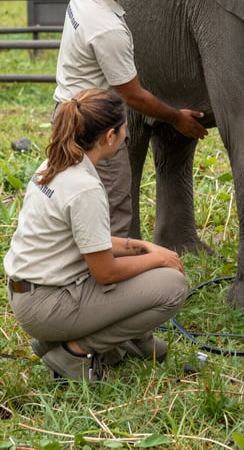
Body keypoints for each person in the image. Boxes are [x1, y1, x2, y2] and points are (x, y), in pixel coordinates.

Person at [4, 88, 188, 381]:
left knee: (143, 270)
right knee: (172, 286)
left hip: (29, 295)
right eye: (125, 129)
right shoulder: (84, 187)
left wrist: (141, 247)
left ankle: (85, 341)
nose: (127, 136)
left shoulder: (54, 164)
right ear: (109, 136)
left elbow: (89, 242)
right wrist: (159, 260)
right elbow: (105, 273)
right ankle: (74, 354)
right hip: (49, 304)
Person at [54, 0, 207, 236]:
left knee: (74, 198)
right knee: (113, 210)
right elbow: (133, 96)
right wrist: (177, 118)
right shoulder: (106, 27)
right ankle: (111, 277)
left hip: (66, 111)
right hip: (94, 126)